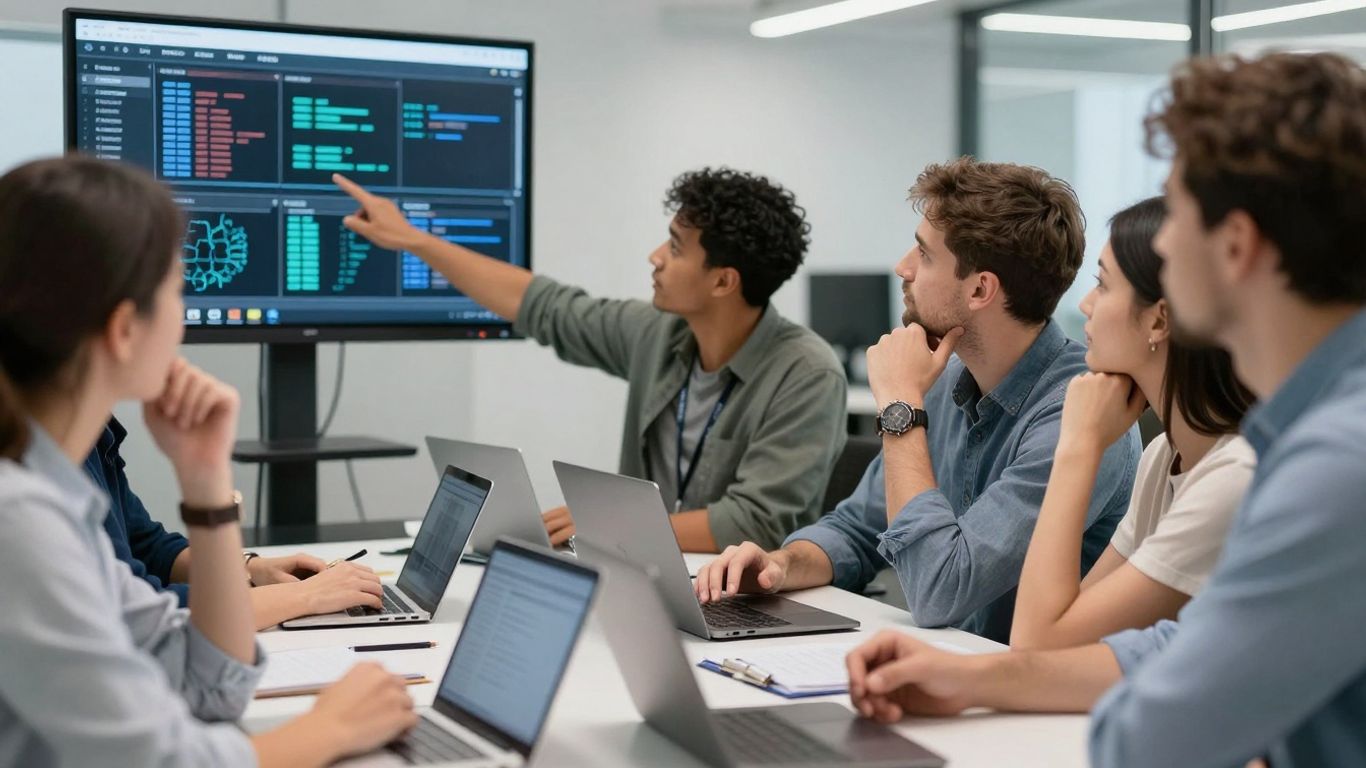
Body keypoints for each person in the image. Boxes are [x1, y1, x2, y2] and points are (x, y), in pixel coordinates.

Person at [843, 52, 1366, 768]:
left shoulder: (1337, 463)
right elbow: (1174, 647)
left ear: (1237, 245)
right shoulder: (1307, 432)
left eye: (1178, 212)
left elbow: (1150, 733)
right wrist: (972, 679)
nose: (1164, 240)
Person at [0, 155, 416, 767]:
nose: (186, 315)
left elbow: (207, 683)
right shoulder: (20, 521)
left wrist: (206, 482)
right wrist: (331, 729)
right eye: (177, 290)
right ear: (124, 329)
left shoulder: (57, 500)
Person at [695, 157, 1141, 643]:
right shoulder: (948, 380)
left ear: (980, 289)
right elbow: (855, 530)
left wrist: (901, 406)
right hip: (950, 666)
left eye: (924, 255)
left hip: (1024, 682)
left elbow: (940, 590)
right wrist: (780, 566)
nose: (903, 268)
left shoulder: (1078, 415)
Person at [334, 167, 847, 553]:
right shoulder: (659, 333)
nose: (655, 257)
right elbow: (544, 306)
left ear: (722, 281)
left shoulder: (806, 374)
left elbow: (755, 523)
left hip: (748, 598)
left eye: (675, 248)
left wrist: (612, 523)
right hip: (651, 572)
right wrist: (413, 240)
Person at [1009, 197, 1255, 650]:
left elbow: (1039, 645)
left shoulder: (1235, 476)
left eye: (1102, 285)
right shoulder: (1164, 455)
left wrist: (1079, 445)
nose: (1085, 304)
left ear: (1159, 320)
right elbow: (1063, 637)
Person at [88, 406, 384, 630]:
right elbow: (142, 615)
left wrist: (250, 568)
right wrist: (306, 595)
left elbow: (150, 548)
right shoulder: (67, 461)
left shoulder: (94, 434)